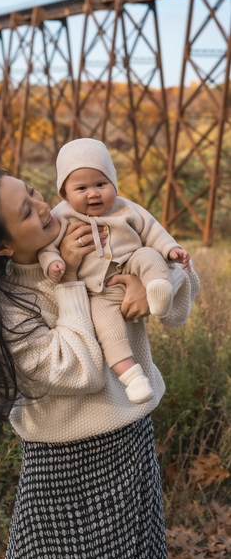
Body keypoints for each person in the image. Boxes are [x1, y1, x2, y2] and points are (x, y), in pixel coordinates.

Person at [0, 168, 199, 559]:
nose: (45, 207)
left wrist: (152, 282)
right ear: (2, 245)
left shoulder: (98, 244)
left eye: (35, 193)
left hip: (128, 447)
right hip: (59, 466)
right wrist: (72, 281)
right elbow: (81, 369)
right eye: (27, 212)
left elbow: (178, 304)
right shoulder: (7, 308)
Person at [37, 139, 190, 404]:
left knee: (149, 254)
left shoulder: (126, 208)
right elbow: (47, 247)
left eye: (101, 184)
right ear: (64, 193)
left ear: (114, 185)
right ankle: (132, 377)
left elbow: (152, 230)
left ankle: (158, 291)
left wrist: (171, 249)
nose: (93, 194)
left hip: (134, 265)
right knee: (109, 331)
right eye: (81, 188)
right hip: (100, 292)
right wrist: (52, 263)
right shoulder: (61, 215)